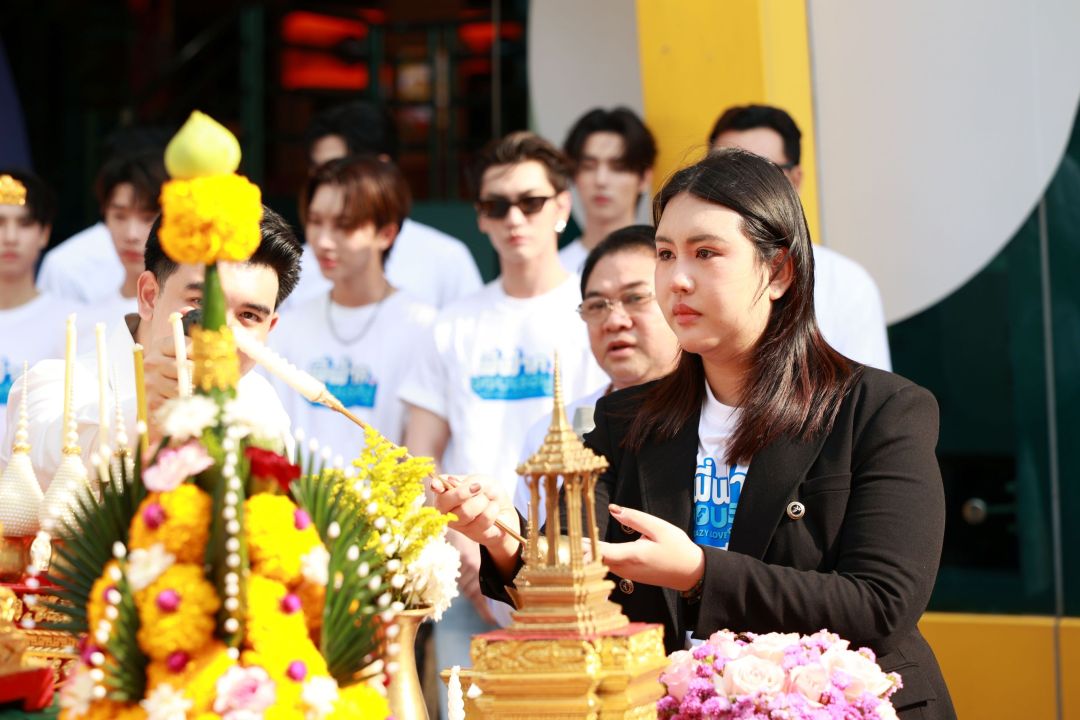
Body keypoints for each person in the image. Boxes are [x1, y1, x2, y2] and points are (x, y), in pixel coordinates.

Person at [436, 149, 955, 719]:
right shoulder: (623, 422)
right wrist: (503, 537)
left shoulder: (879, 410)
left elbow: (882, 602)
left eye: (706, 253)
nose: (678, 280)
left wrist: (701, 572)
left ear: (779, 271)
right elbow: (574, 574)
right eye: (666, 254)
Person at [398, 131, 607, 709]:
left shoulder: (595, 313)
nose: (514, 218)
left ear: (562, 207)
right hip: (470, 571)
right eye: (497, 205)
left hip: (578, 569)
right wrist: (467, 546)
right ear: (481, 218)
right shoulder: (452, 324)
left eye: (530, 202)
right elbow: (420, 454)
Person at [2, 206, 302, 487]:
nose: (220, 334)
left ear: (270, 327)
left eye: (249, 316)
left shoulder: (260, 401)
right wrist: (147, 411)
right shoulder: (54, 384)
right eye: (200, 302)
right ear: (148, 296)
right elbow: (45, 459)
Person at [514, 224, 678, 525]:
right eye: (597, 305)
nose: (614, 321)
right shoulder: (551, 433)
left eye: (635, 298)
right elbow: (534, 546)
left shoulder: (720, 417)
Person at [709, 104, 892, 371]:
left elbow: (866, 391)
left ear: (795, 180)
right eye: (725, 171)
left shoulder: (846, 283)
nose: (740, 187)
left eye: (763, 172)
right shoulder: (679, 275)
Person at [269, 155, 435, 450]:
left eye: (344, 225)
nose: (323, 241)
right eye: (315, 221)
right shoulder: (285, 327)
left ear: (386, 233)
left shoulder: (425, 327)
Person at [285, 101, 483, 310]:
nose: (329, 180)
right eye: (319, 170)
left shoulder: (444, 259)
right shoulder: (294, 266)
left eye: (343, 169)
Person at [37, 128, 170, 313]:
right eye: (119, 216)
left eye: (148, 218)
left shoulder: (190, 309)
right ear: (104, 213)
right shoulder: (88, 314)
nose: (131, 234)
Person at [0, 170, 71, 443]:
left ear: (44, 233)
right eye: (0, 222)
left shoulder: (73, 323)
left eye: (25, 223)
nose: (10, 237)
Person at [558, 108, 657, 273]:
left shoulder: (663, 264)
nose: (601, 180)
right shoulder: (555, 272)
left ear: (644, 178)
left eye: (618, 167)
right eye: (588, 166)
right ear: (574, 174)